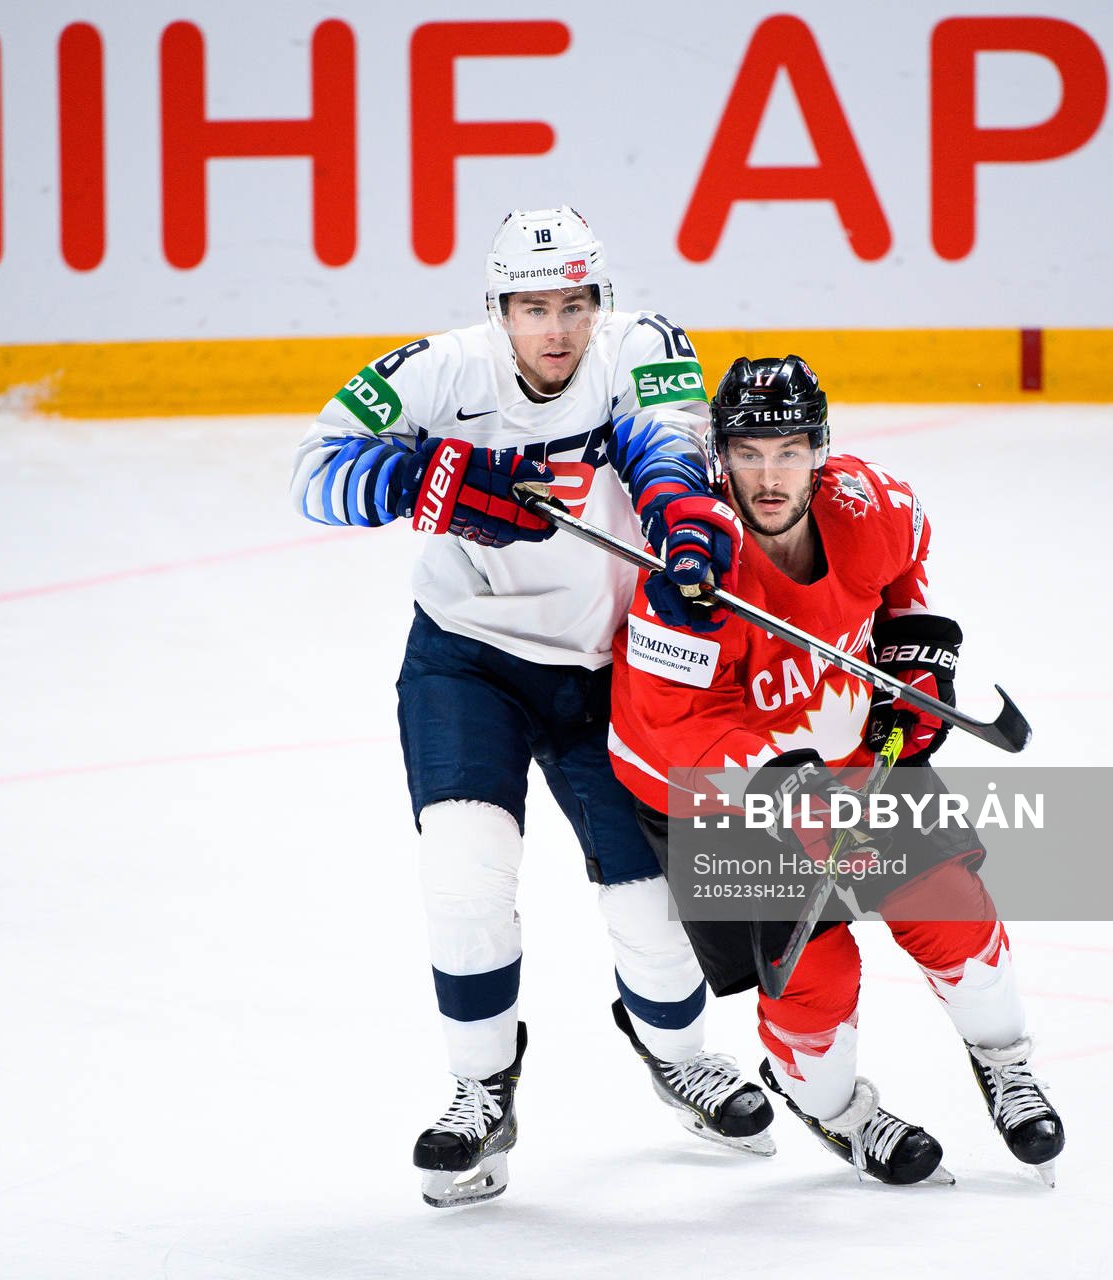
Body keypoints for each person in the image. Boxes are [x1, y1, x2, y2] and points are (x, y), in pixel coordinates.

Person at [288, 207, 774, 1207]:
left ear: (600, 301)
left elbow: (670, 449)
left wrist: (686, 530)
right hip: (469, 659)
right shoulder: (438, 374)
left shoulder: (644, 347)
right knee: (466, 866)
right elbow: (315, 474)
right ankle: (480, 1089)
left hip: (612, 670)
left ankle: (675, 1049)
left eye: (572, 304)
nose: (555, 328)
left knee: (648, 905)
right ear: (497, 308)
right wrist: (440, 483)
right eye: (531, 306)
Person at [606, 354, 1066, 1187]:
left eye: (789, 450)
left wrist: (915, 670)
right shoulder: (685, 575)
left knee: (954, 914)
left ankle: (1005, 1061)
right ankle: (835, 1108)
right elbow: (667, 729)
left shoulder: (867, 504)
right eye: (748, 452)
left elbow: (901, 584)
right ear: (719, 454)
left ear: (822, 451)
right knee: (818, 984)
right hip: (718, 802)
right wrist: (770, 778)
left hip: (852, 765)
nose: (770, 474)